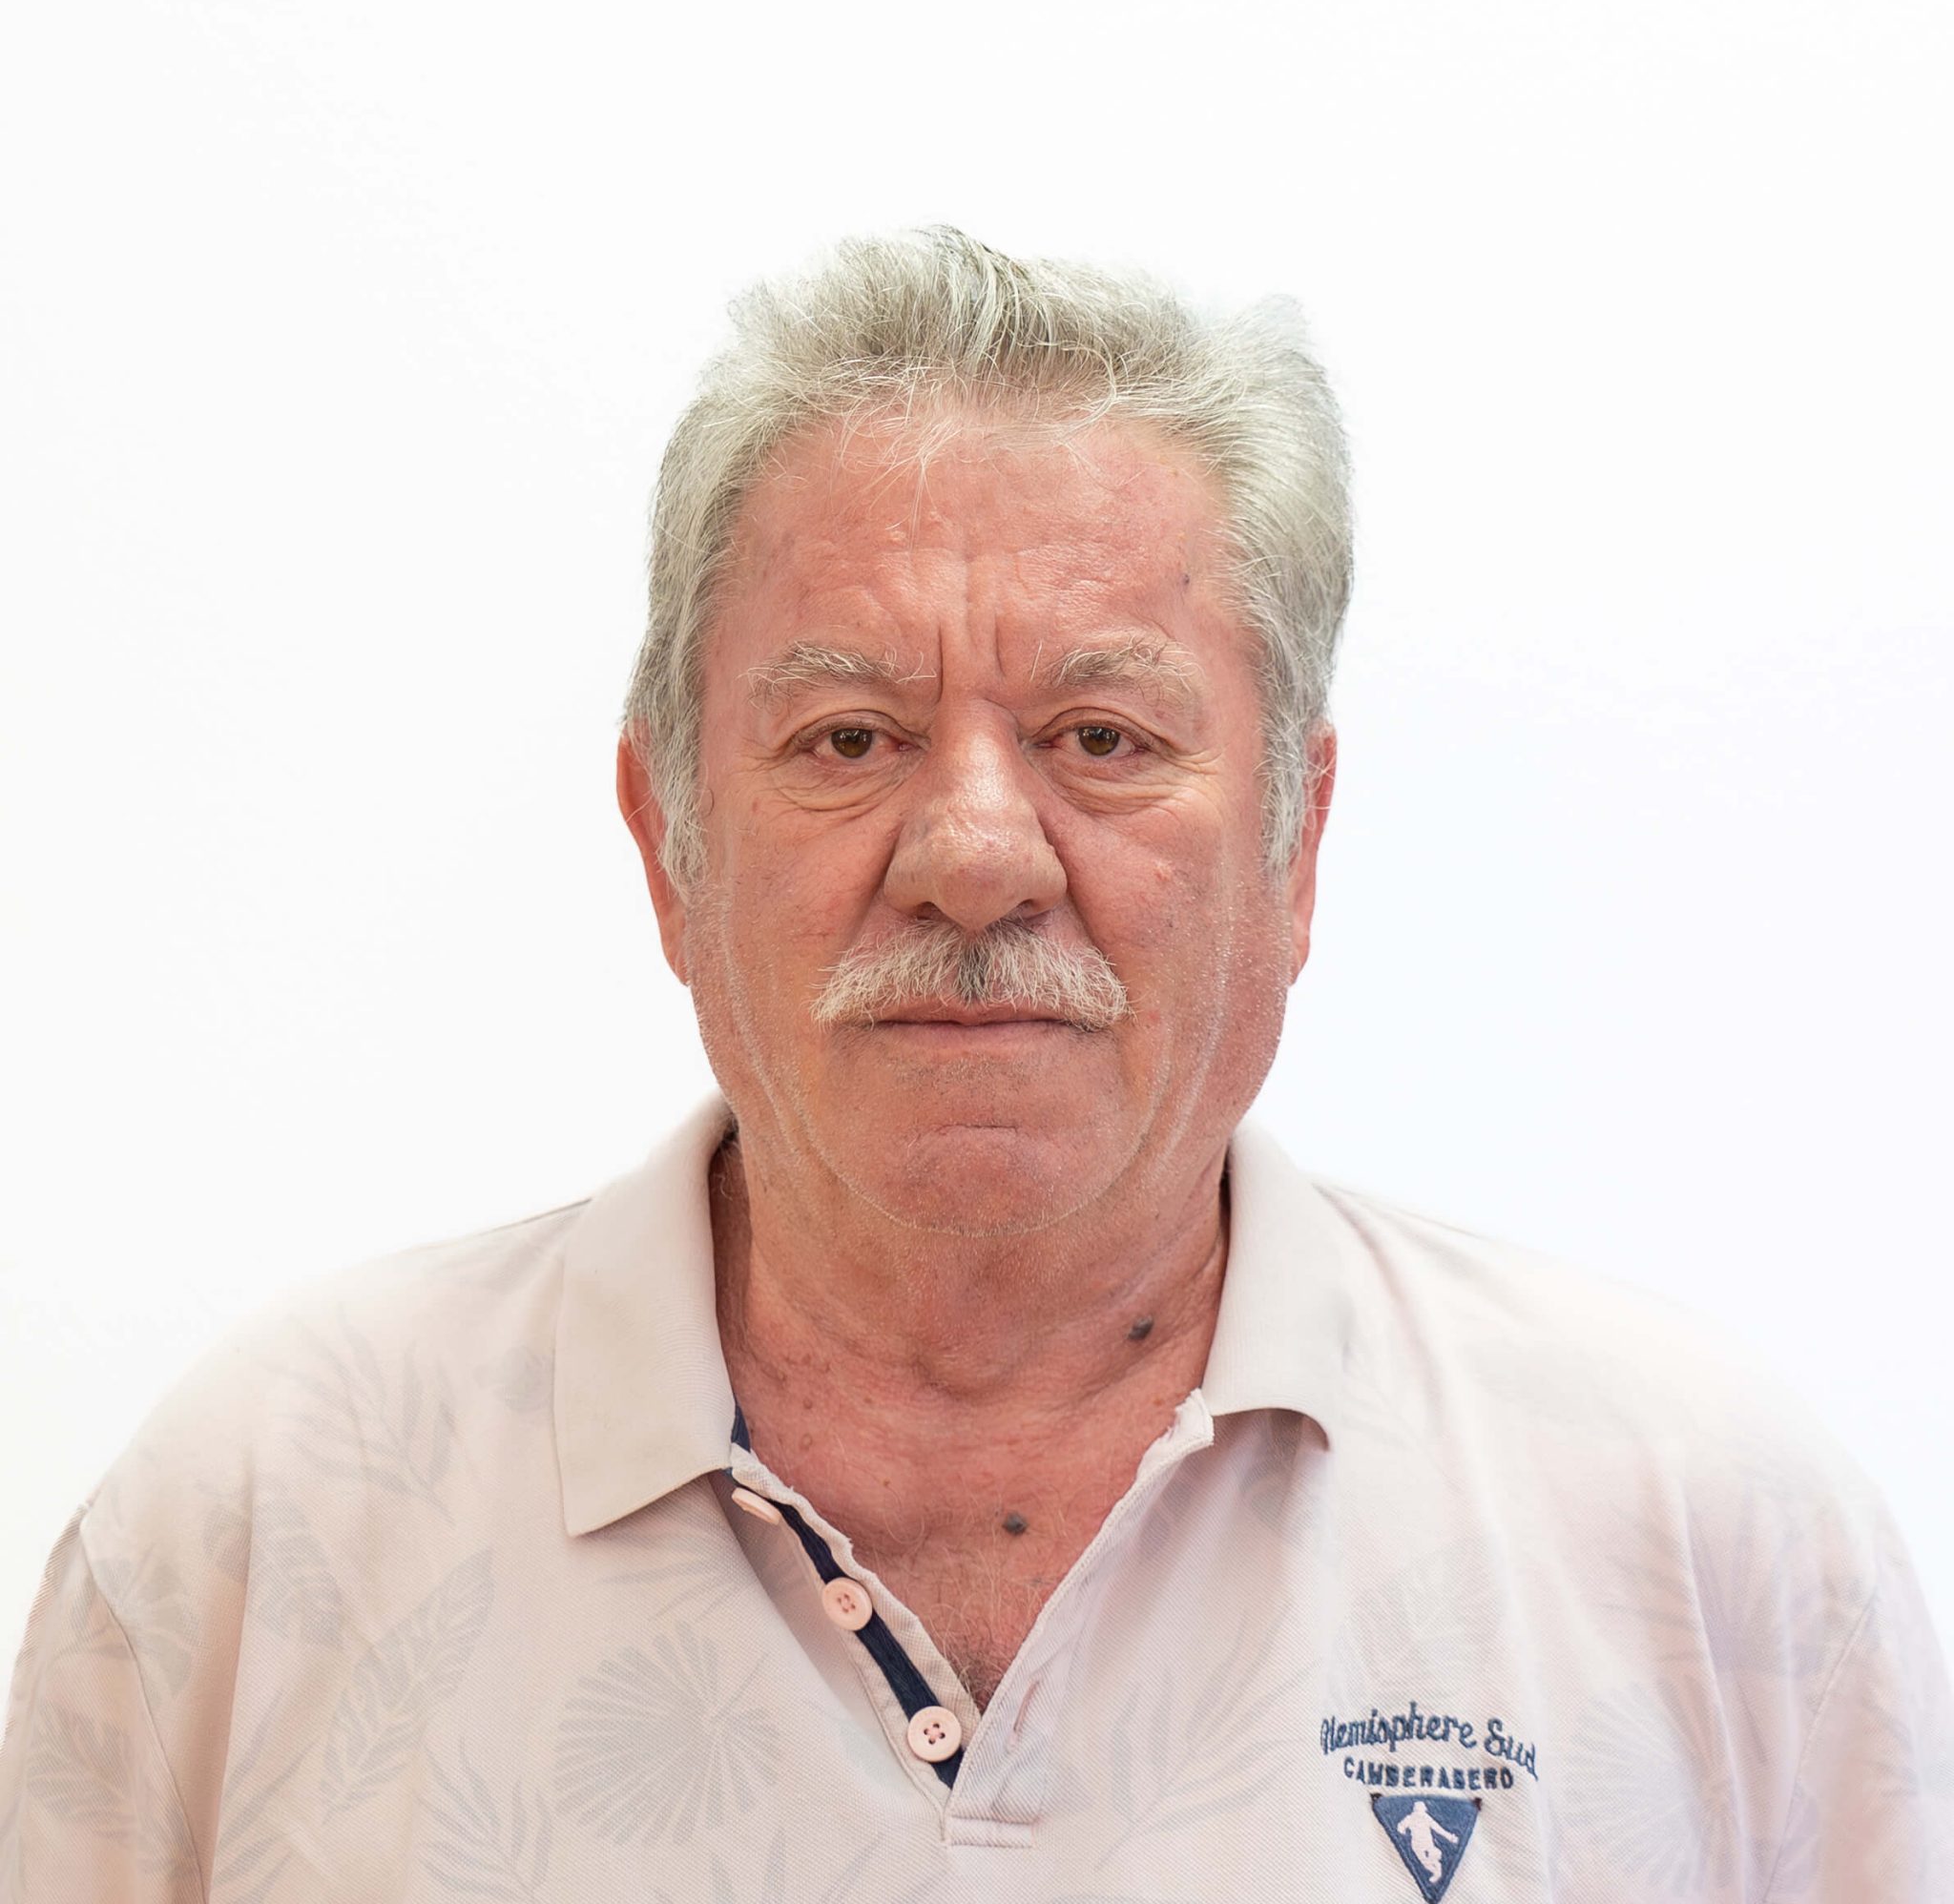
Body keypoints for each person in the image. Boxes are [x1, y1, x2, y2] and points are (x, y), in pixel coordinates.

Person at [1, 227, 1947, 1904]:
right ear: (668, 841)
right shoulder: (257, 1531)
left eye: (1105, 737)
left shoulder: (1702, 1547)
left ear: (1296, 845)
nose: (976, 853)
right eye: (847, 739)